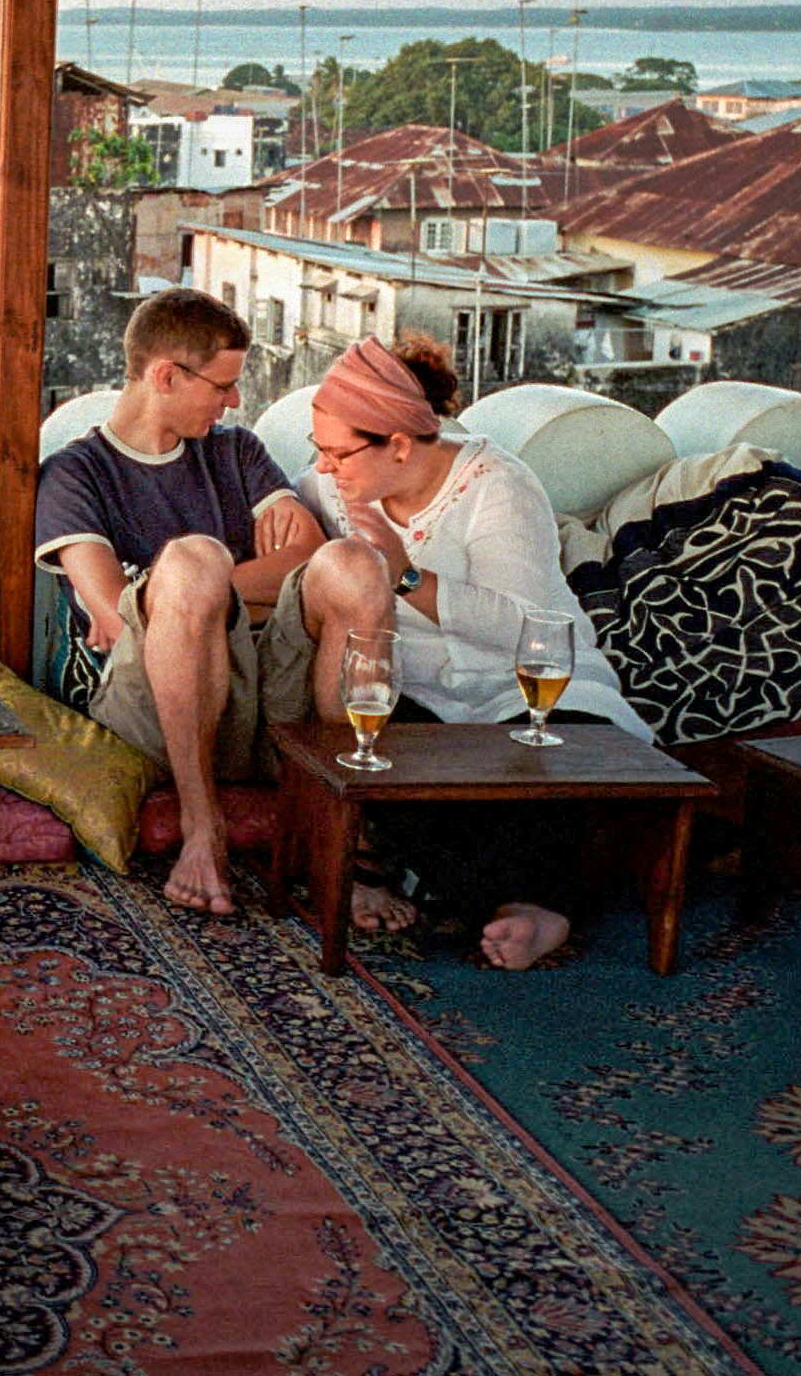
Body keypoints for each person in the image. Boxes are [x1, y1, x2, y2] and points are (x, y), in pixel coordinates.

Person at [34, 288, 395, 920]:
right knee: (195, 557)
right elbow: (118, 616)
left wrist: (197, 603)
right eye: (223, 385)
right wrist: (191, 587)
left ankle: (344, 832)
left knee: (355, 565)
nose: (234, 401)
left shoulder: (236, 451)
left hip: (264, 699)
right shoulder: (77, 473)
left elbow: (308, 557)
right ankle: (204, 828)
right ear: (166, 375)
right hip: (153, 706)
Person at [297, 334, 647, 969]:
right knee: (397, 778)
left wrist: (407, 575)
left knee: (546, 788)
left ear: (398, 445)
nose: (323, 468)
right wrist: (273, 511)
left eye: (335, 453)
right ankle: (526, 904)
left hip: (527, 691)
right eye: (316, 450)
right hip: (421, 701)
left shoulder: (498, 486)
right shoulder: (337, 485)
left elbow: (526, 628)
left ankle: (531, 907)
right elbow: (299, 525)